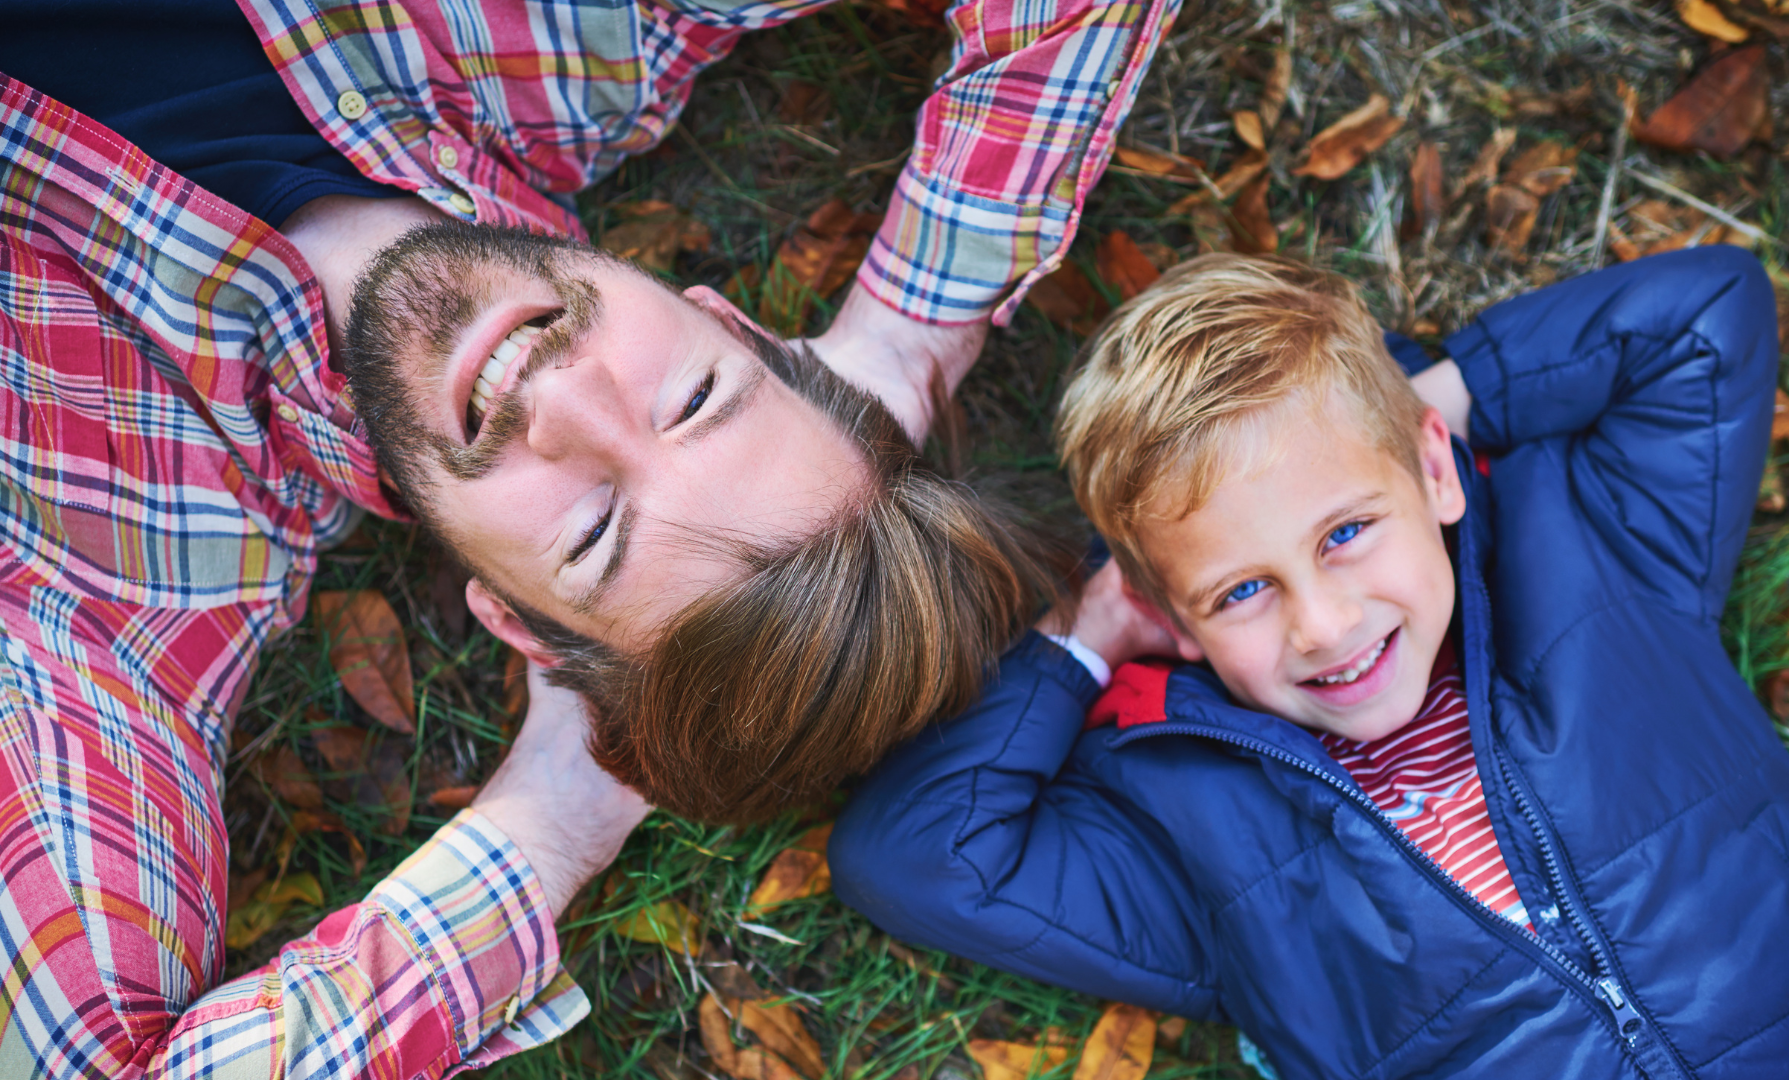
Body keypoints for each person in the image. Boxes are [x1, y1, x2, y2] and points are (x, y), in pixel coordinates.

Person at [0, 0, 1175, 1073]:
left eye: (596, 530)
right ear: (723, 318)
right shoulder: (585, 38)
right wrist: (915, 326)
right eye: (697, 399)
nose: (559, 401)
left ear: (518, 627)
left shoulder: (125, 575)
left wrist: (553, 821)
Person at [830, 249, 1789, 1077]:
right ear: (1175, 611)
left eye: (1346, 531)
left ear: (1434, 474)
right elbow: (913, 855)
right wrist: (1092, 631)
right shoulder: (1178, 826)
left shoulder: (1599, 556)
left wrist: (1407, 422)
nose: (1323, 624)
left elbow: (1704, 315)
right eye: (1242, 591)